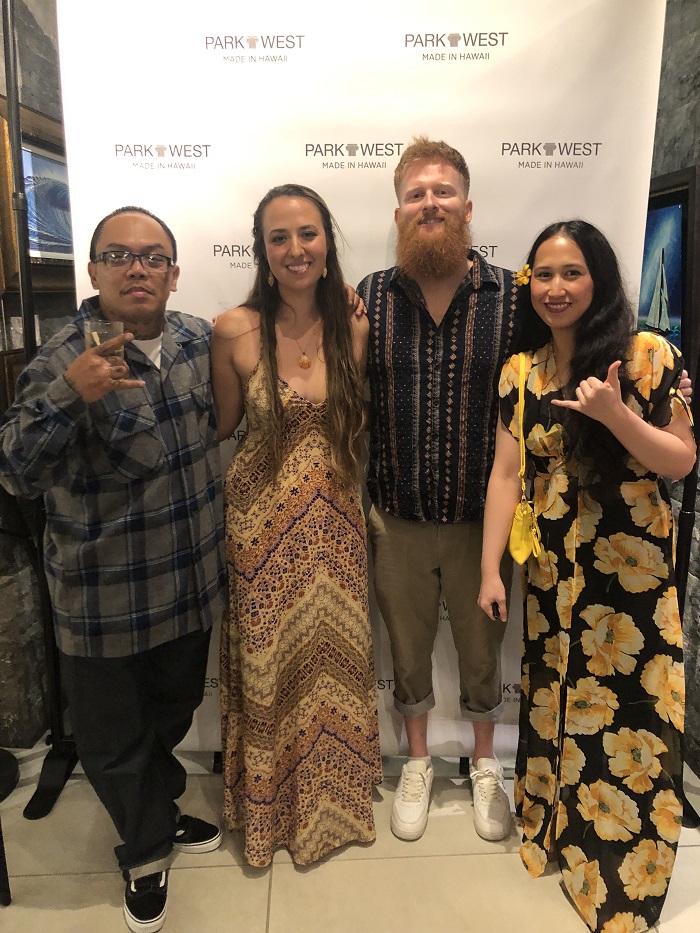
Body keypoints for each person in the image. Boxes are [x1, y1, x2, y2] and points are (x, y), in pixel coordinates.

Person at [0, 207, 225, 933]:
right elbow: (14, 470)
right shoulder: (63, 356)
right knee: (112, 739)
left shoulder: (195, 339)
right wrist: (71, 395)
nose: (137, 268)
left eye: (153, 256)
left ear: (174, 273)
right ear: (93, 270)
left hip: (188, 588)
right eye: (119, 255)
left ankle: (153, 807)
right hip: (104, 603)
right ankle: (145, 848)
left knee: (171, 715)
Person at [478, 220, 695, 932]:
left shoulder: (647, 355)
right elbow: (506, 473)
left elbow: (680, 460)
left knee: (631, 715)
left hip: (631, 579)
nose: (556, 287)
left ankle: (621, 874)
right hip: (552, 575)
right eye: (543, 274)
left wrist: (615, 414)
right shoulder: (522, 370)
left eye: (572, 272)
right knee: (558, 701)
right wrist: (490, 570)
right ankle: (557, 832)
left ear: (598, 277)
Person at [212, 183, 381, 867]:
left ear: (327, 241)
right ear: (262, 250)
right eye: (278, 237)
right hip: (260, 526)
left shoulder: (355, 325)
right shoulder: (233, 329)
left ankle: (332, 804)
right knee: (268, 664)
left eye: (307, 233)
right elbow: (223, 426)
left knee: (333, 661)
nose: (295, 249)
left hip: (336, 526)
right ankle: (266, 812)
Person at [357, 137, 517, 844]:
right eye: (416, 194)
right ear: (398, 213)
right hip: (396, 515)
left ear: (467, 207)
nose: (430, 203)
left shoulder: (513, 296)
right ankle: (418, 760)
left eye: (443, 191)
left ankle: (484, 763)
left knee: (484, 647)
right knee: (406, 644)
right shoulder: (367, 297)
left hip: (486, 518)